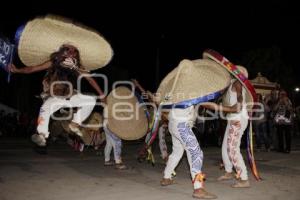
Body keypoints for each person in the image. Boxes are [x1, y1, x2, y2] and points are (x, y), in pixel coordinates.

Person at [10, 44, 105, 147]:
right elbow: (33, 69)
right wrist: (17, 70)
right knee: (45, 109)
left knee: (91, 100)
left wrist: (102, 95)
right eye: (68, 50)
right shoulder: (54, 62)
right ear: (63, 52)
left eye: (74, 51)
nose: (71, 52)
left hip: (70, 96)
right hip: (55, 96)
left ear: (76, 55)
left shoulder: (78, 67)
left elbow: (90, 79)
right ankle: (42, 135)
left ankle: (75, 123)